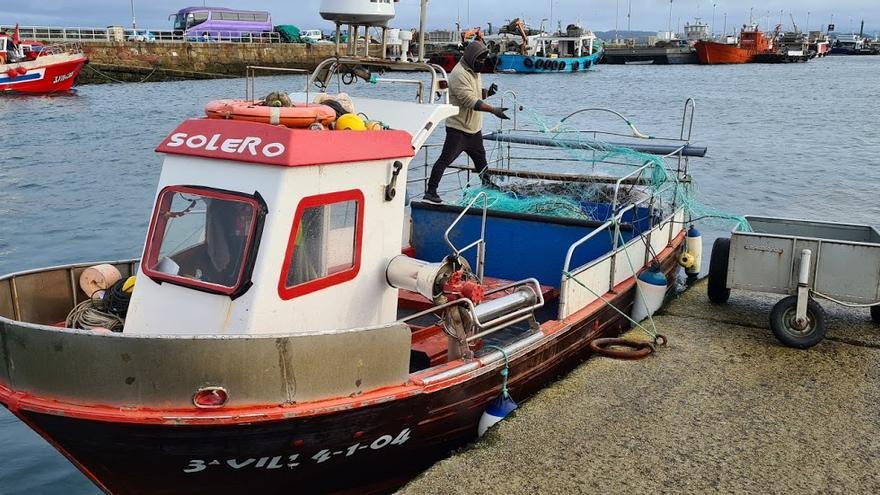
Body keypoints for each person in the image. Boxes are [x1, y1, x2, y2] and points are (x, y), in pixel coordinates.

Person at [424, 41, 509, 204]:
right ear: (471, 57)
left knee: (481, 160)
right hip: (458, 129)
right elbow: (470, 101)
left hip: (474, 129)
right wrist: (493, 110)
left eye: (484, 60)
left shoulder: (475, 72)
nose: (482, 63)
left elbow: (476, 95)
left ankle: (487, 185)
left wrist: (487, 93)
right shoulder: (458, 74)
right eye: (480, 60)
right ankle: (431, 191)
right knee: (445, 160)